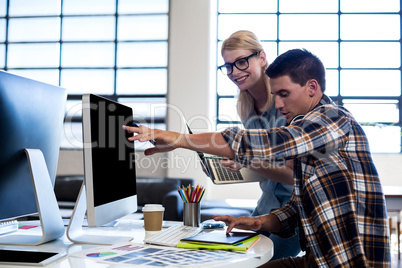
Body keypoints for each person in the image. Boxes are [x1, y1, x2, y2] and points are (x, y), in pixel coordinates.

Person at [123, 49, 391, 267]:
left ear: (312, 87)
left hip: (348, 261)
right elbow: (298, 209)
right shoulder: (309, 138)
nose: (278, 104)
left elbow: (265, 143)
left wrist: (180, 139)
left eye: (284, 94)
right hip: (317, 259)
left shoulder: (333, 118)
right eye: (275, 95)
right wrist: (259, 222)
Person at [217, 30, 300, 259]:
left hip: (294, 209)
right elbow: (264, 168)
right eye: (228, 66)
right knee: (230, 254)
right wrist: (235, 167)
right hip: (267, 202)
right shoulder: (246, 107)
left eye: (241, 62)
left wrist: (245, 159)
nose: (234, 72)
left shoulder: (287, 104)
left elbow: (292, 174)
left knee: (263, 262)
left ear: (262, 58)